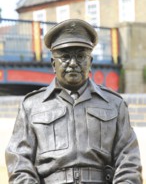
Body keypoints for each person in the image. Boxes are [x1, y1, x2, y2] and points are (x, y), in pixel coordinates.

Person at [5, 19, 142, 184]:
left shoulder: (114, 104)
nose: (73, 63)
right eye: (65, 57)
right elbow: (19, 162)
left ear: (90, 62)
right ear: (53, 64)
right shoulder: (31, 106)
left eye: (80, 56)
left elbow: (129, 161)